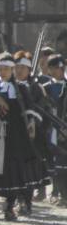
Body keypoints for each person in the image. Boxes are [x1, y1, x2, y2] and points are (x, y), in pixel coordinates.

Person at [0, 52, 46, 221]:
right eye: (0, 69)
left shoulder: (21, 88)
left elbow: (29, 108)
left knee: (12, 170)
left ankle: (9, 207)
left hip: (14, 135)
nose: (3, 72)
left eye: (6, 69)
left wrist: (31, 122)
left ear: (12, 70)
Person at [12, 51, 52, 213]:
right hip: (12, 134)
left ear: (29, 70)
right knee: (13, 169)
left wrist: (32, 122)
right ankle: (15, 199)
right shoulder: (10, 86)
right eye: (17, 67)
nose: (19, 70)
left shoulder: (36, 88)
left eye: (23, 67)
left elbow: (42, 109)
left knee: (27, 170)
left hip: (31, 136)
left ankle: (26, 202)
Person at [42, 55, 67, 205]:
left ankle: (64, 193)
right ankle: (55, 191)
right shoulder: (45, 88)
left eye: (60, 67)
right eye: (54, 68)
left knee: (64, 161)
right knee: (52, 161)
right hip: (50, 127)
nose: (58, 71)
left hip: (64, 126)